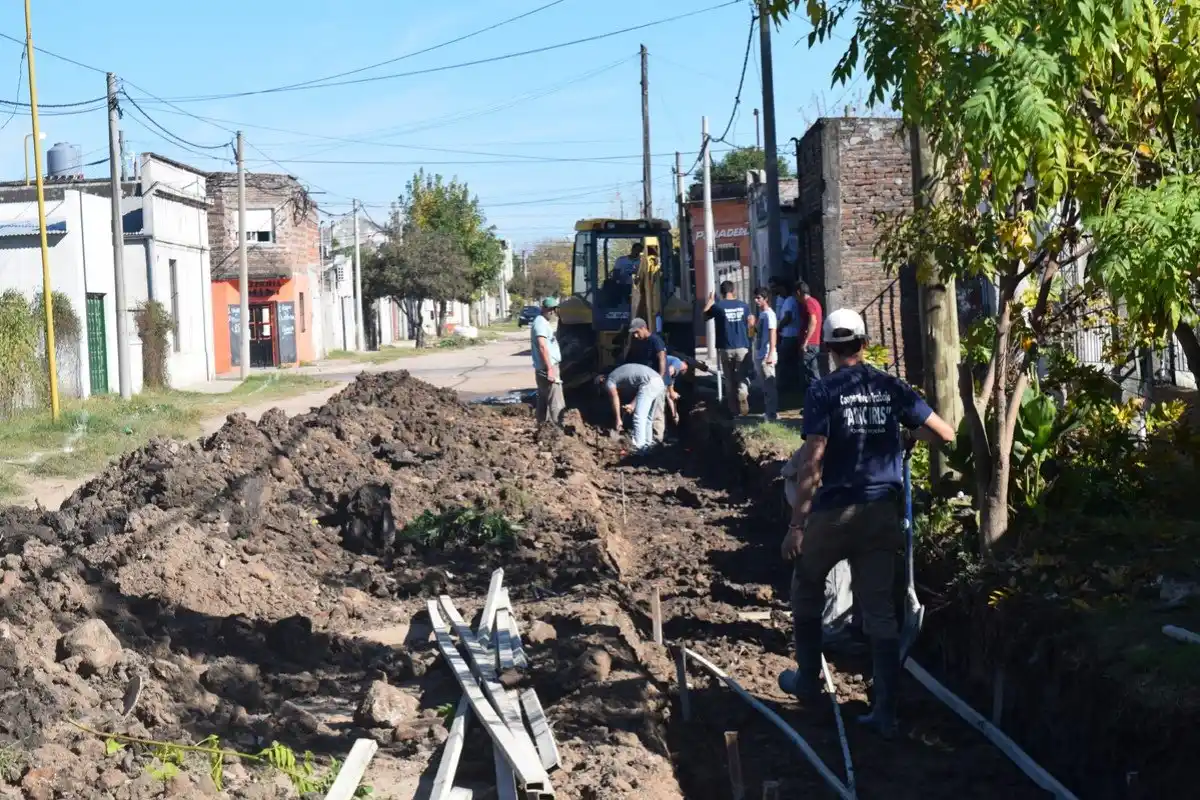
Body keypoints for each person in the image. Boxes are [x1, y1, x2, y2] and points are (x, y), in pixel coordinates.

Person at [778, 308, 955, 739]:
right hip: (881, 513)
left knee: (806, 582)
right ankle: (885, 711)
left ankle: (806, 680)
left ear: (831, 349)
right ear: (863, 341)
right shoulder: (891, 386)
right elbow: (944, 434)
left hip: (834, 511)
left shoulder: (823, 391)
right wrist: (907, 436)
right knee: (878, 610)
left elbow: (814, 459)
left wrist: (797, 525)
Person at [704, 281, 755, 416]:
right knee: (742, 374)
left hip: (725, 347)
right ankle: (743, 391)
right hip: (742, 346)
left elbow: (704, 315)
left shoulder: (718, 306)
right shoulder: (744, 306)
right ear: (734, 290)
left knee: (729, 378)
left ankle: (733, 410)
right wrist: (751, 340)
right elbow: (750, 325)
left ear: (721, 292)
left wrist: (710, 300)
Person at [603, 362, 666, 453]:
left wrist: (618, 419)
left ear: (602, 379)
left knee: (639, 417)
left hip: (649, 383)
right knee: (648, 418)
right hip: (658, 381)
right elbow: (641, 390)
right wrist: (632, 405)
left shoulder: (610, 380)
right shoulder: (620, 374)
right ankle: (647, 448)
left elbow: (614, 396)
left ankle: (638, 449)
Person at [530, 296, 565, 426]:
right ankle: (558, 429)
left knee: (543, 399)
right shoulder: (540, 323)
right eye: (554, 311)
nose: (554, 314)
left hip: (544, 367)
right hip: (547, 367)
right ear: (550, 310)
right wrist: (550, 368)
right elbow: (542, 346)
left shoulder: (541, 322)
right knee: (556, 400)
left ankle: (542, 427)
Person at [752, 287, 779, 421]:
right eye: (755, 298)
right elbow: (757, 332)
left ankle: (772, 413)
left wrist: (771, 353)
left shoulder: (769, 314)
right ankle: (768, 411)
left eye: (759, 298)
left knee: (769, 384)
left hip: (767, 353)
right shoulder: (762, 315)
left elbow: (772, 332)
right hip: (760, 351)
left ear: (765, 299)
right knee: (765, 385)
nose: (756, 300)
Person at [795, 282, 824, 391]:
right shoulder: (815, 302)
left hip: (810, 343)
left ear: (798, 292)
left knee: (810, 373)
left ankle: (817, 399)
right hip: (813, 342)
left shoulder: (809, 303)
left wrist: (806, 341)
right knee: (811, 371)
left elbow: (813, 321)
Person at [776, 279, 801, 393]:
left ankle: (786, 386)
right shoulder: (788, 300)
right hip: (790, 335)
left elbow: (788, 316)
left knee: (784, 361)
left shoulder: (790, 301)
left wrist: (779, 327)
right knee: (789, 362)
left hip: (789, 335)